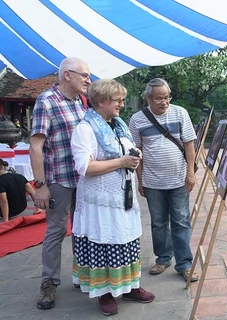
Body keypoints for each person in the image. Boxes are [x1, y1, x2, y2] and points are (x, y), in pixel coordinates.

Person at [70, 79, 154, 316]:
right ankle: (104, 292)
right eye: (118, 100)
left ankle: (129, 286)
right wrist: (121, 161)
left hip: (123, 199)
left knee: (126, 239)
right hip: (100, 202)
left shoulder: (118, 125)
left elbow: (125, 151)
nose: (121, 104)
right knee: (105, 241)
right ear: (101, 100)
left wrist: (134, 154)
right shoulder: (85, 129)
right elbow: (84, 167)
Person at [30, 57, 91, 310]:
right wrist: (40, 185)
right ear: (68, 75)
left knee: (82, 228)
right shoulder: (47, 101)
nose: (88, 80)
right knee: (56, 230)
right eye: (84, 75)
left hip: (84, 178)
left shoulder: (81, 102)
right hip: (58, 178)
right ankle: (49, 283)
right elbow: (36, 145)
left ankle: (81, 275)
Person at [129, 78, 199, 282]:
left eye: (167, 97)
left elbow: (189, 145)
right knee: (158, 223)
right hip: (152, 182)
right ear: (148, 98)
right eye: (158, 98)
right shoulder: (137, 119)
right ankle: (163, 258)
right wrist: (140, 181)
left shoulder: (180, 113)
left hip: (178, 180)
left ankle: (184, 264)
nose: (164, 102)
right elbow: (137, 152)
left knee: (181, 222)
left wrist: (190, 174)